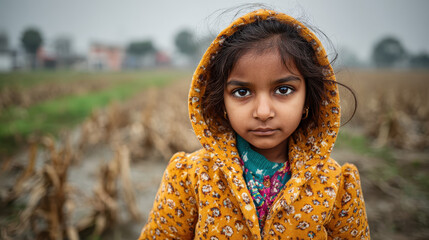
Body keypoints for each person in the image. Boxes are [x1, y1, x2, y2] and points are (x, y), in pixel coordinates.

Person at [139, 9, 370, 239]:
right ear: (222, 103)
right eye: (242, 92)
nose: (263, 112)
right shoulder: (191, 178)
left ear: (308, 98)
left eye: (283, 90)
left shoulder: (335, 185)